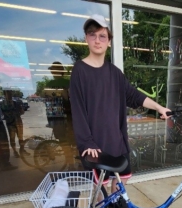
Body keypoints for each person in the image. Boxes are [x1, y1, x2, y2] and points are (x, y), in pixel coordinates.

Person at [69, 14, 171, 197]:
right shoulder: (80, 71)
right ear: (86, 38)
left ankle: (115, 201)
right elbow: (77, 109)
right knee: (100, 187)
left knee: (123, 177)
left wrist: (159, 107)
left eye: (102, 36)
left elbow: (133, 95)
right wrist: (86, 142)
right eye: (92, 34)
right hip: (96, 143)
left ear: (109, 41)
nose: (97, 40)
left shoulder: (115, 73)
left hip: (117, 140)